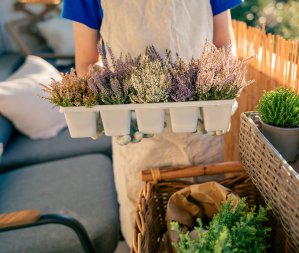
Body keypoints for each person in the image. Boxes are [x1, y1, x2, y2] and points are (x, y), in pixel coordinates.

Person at [62, 0, 243, 247]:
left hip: (199, 128)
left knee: (205, 232)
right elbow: (86, 62)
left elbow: (224, 45)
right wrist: (108, 106)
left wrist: (223, 96)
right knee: (148, 236)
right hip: (136, 136)